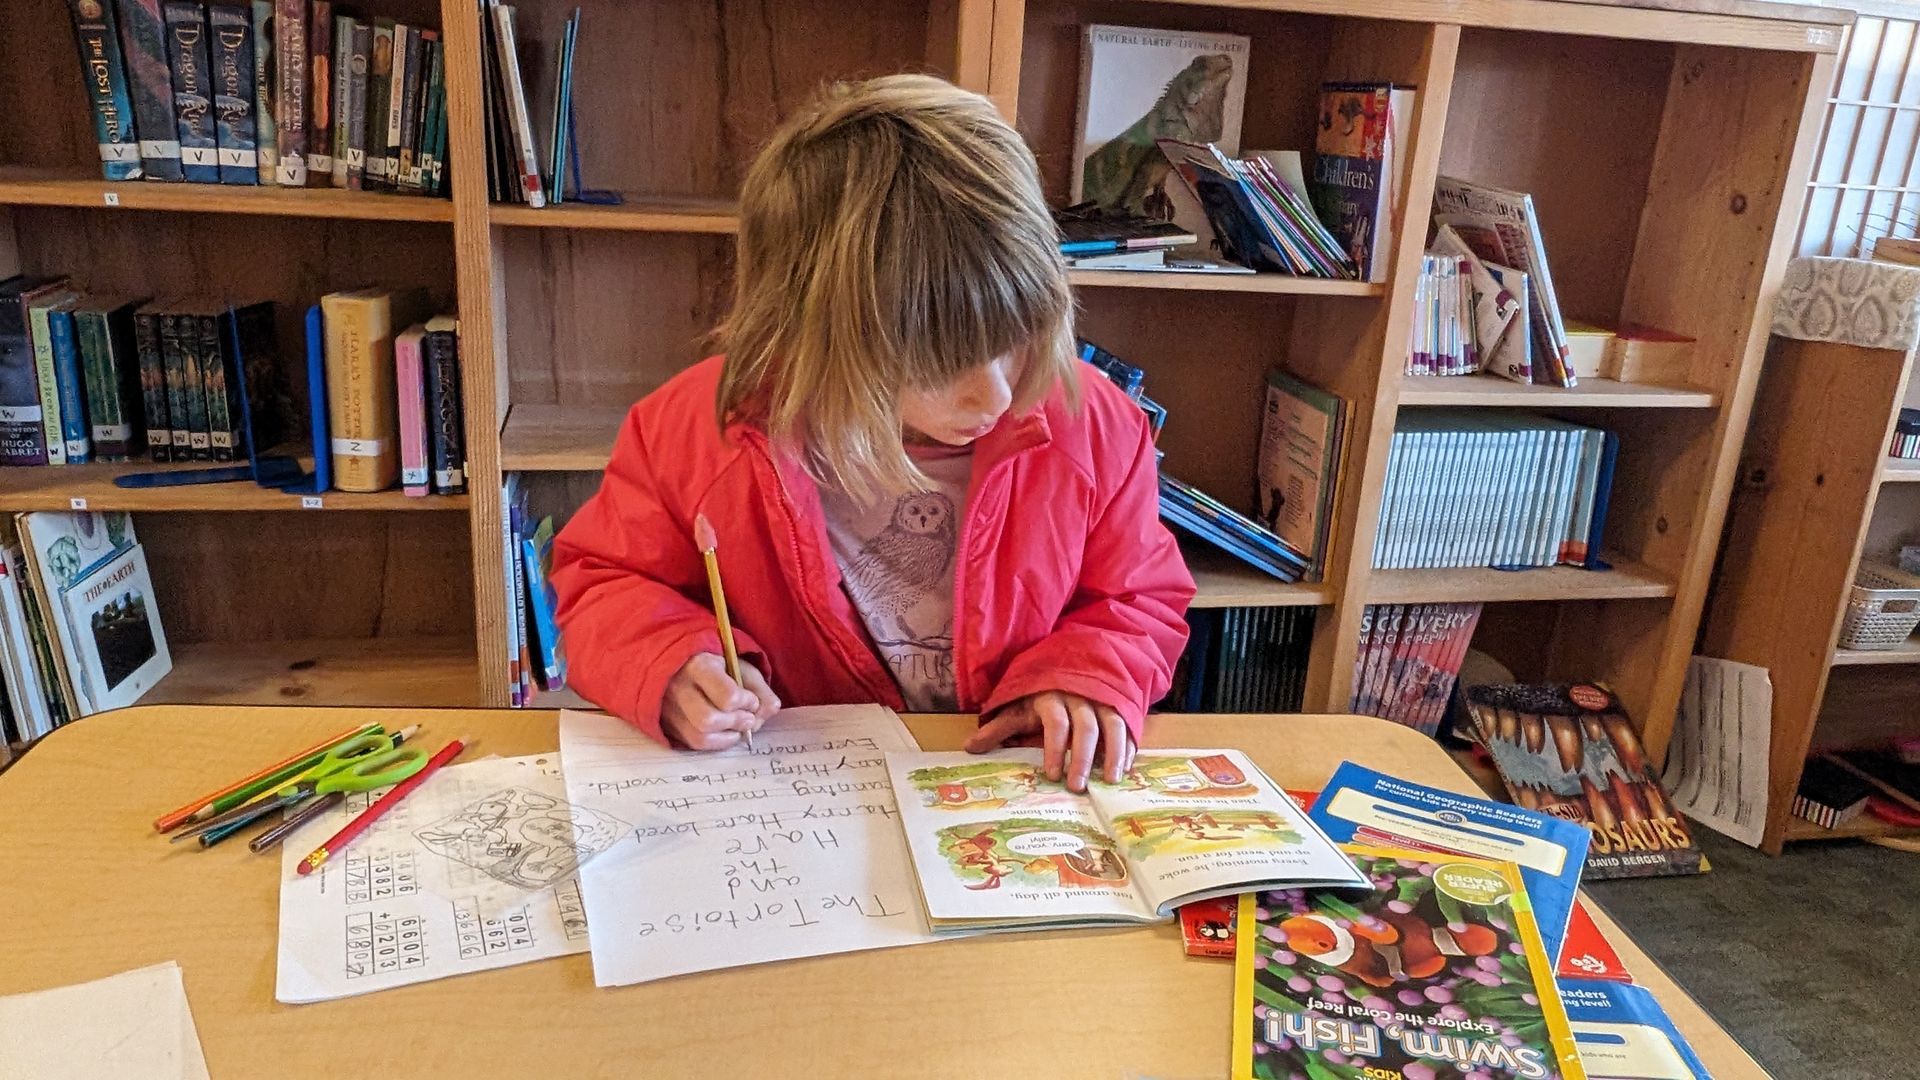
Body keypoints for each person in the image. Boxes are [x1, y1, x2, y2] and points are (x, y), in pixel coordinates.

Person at [549, 74, 1194, 791]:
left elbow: (1138, 598)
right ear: (811, 335)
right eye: (941, 362)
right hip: (795, 795)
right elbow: (603, 582)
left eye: (1016, 337)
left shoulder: (1095, 424)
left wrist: (1087, 674)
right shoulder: (696, 432)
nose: (999, 392)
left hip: (1007, 782)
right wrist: (667, 664)